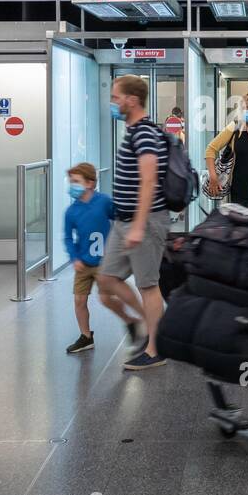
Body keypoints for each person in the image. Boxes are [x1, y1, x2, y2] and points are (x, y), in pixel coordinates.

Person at [97, 74, 170, 371]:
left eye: (116, 98)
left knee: (148, 285)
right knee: (106, 279)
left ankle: (156, 349)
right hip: (123, 221)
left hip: (146, 221)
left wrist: (139, 225)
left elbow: (149, 180)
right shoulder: (132, 132)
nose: (112, 103)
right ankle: (141, 323)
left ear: (132, 100)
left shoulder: (144, 134)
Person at [63, 162, 114, 355]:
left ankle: (133, 325)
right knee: (79, 300)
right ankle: (86, 336)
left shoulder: (104, 202)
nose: (72, 185)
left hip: (105, 263)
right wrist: (74, 257)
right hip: (83, 264)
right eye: (71, 181)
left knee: (108, 298)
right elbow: (68, 237)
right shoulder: (71, 212)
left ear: (90, 183)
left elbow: (120, 218)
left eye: (76, 181)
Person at [204, 89, 248, 208]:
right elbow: (211, 149)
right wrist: (213, 176)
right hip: (239, 195)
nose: (246, 111)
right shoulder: (236, 127)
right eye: (244, 108)